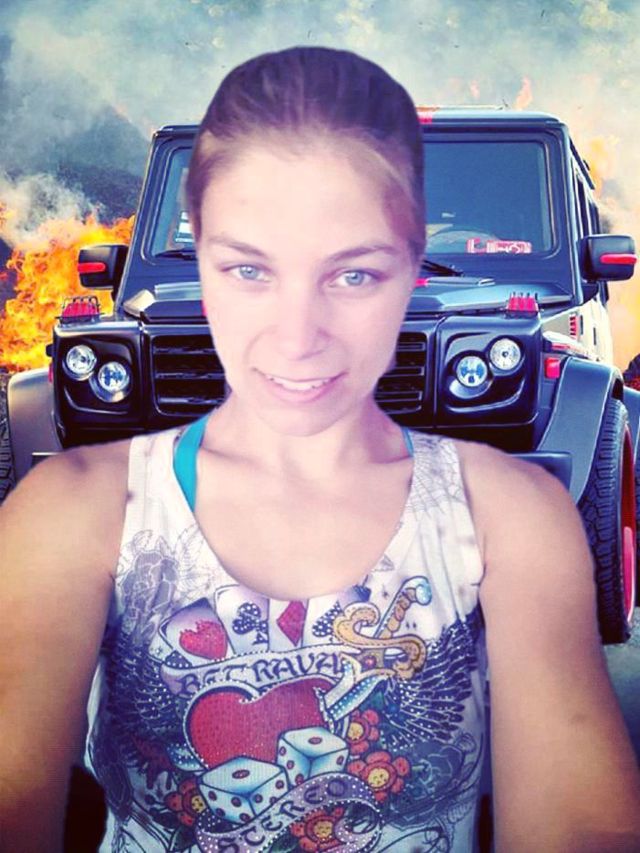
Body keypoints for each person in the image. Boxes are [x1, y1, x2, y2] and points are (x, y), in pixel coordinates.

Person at [1, 46, 639, 853]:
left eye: (353, 273)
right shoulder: (71, 511)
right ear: (201, 263)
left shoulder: (514, 513)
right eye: (248, 268)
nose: (297, 333)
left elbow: (578, 820)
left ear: (408, 267)